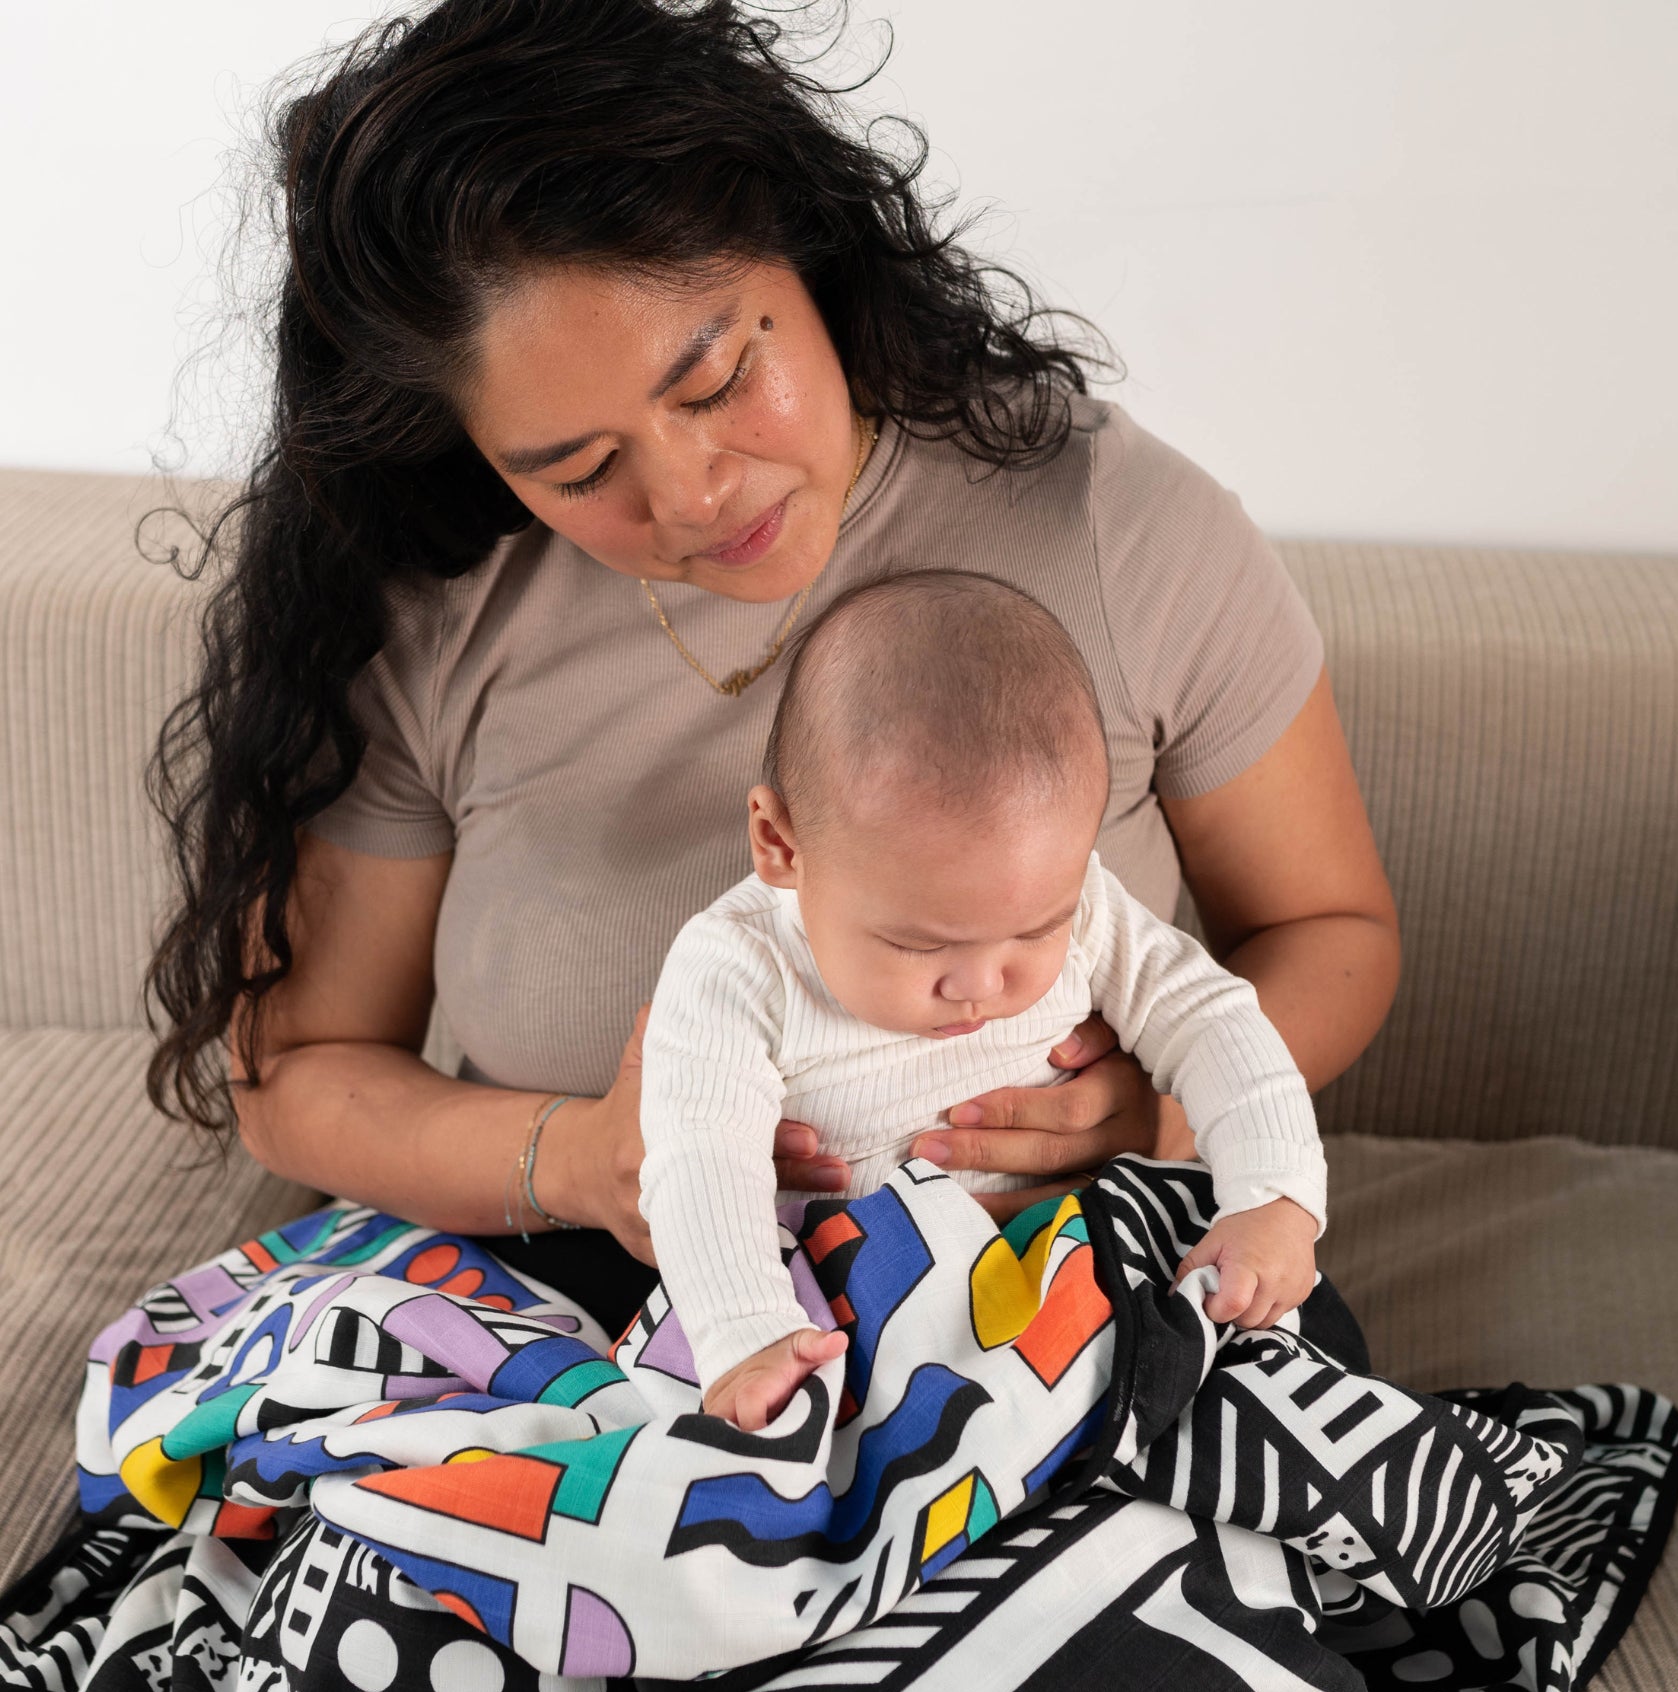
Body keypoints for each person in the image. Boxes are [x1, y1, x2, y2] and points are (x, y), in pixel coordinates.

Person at [143, 0, 1399, 1353]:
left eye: (719, 377)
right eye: (577, 468)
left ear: (807, 257)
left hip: (1053, 1280)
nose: (692, 493)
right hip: (589, 1308)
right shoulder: (432, 608)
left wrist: (1151, 1107)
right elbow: (297, 1073)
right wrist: (582, 1163)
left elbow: (1329, 931)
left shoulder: (1111, 522)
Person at [640, 571, 1327, 1429]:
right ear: (781, 844)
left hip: (1086, 1271)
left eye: (1035, 929)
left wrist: (1273, 1198)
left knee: (1287, 1359)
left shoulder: (1092, 911)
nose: (980, 985)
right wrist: (748, 1332)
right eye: (920, 944)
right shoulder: (737, 966)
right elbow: (701, 1158)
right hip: (846, 1320)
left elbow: (1212, 1016)